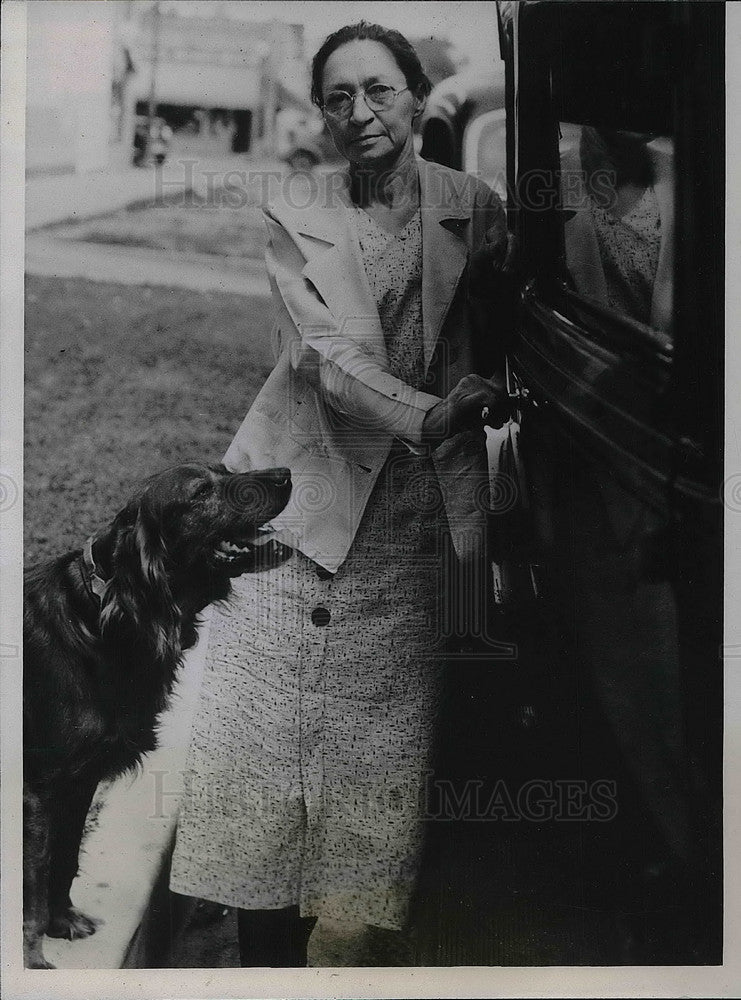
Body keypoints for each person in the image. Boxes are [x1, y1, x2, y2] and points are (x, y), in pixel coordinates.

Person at [169, 21, 510, 967]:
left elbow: (504, 329)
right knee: (257, 751)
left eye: (379, 90)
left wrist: (482, 400)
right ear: (319, 111)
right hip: (293, 505)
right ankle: (262, 967)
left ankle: (341, 958)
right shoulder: (295, 206)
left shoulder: (474, 207)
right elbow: (325, 360)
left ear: (413, 94)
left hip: (414, 522)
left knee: (376, 770)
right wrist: (435, 412)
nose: (359, 113)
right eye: (338, 97)